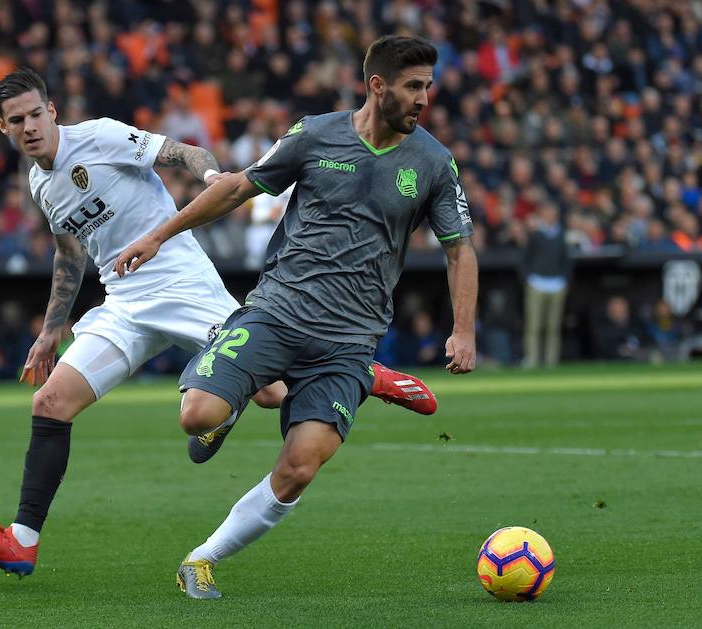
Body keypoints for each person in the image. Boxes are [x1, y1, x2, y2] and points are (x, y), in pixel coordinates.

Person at [0, 68, 434, 579]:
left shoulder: (100, 137)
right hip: (124, 300)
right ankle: (23, 541)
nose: (29, 127)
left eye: (36, 114)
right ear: (2, 127)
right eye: (16, 120)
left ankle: (366, 375)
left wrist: (210, 177)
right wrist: (50, 329)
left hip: (182, 283)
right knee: (50, 402)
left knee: (270, 393)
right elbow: (70, 253)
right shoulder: (40, 183)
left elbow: (182, 152)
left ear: (53, 111)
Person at [115, 36, 478, 599]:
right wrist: (160, 235)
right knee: (195, 417)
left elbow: (460, 249)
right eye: (413, 86)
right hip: (277, 313)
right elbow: (239, 188)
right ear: (376, 86)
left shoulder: (432, 162)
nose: (424, 98)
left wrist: (464, 330)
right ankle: (232, 402)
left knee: (301, 466)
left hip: (349, 342)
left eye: (428, 86)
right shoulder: (314, 134)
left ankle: (202, 559)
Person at [521, 201, 571, 368]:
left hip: (556, 285)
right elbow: (525, 259)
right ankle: (532, 359)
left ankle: (551, 362)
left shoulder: (561, 234)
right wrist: (529, 278)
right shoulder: (535, 234)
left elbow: (567, 260)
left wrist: (563, 280)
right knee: (534, 326)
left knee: (553, 327)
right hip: (537, 284)